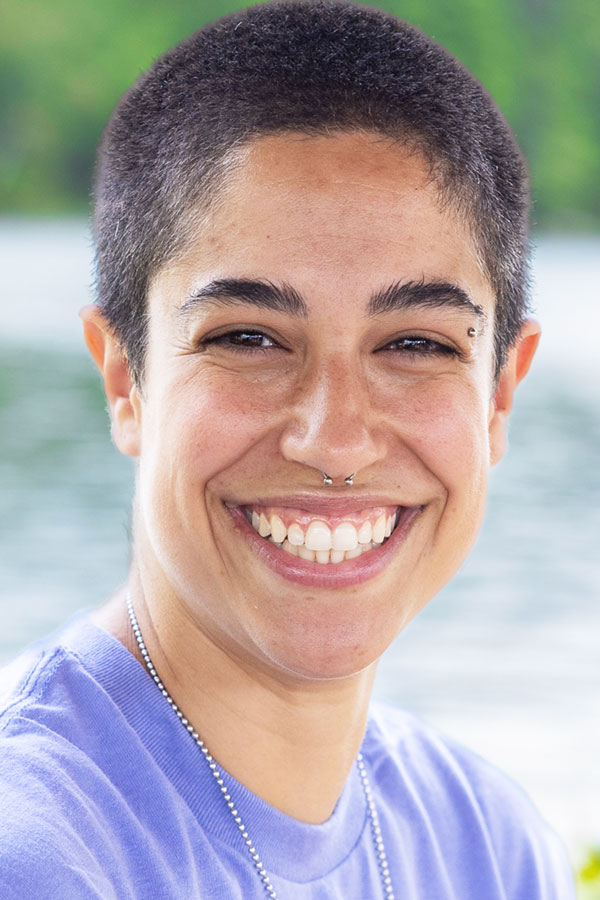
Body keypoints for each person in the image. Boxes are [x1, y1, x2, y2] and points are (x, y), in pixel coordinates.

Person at [0, 1, 575, 897]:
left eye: (414, 344)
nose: (334, 438)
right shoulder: (36, 855)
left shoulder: (488, 846)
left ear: (500, 392)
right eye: (249, 338)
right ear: (124, 379)